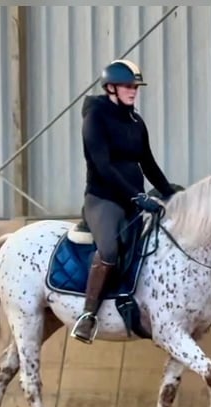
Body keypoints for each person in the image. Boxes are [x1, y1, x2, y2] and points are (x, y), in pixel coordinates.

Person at [71, 58, 179, 344]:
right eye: (127, 86)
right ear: (111, 88)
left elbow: (149, 164)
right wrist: (136, 195)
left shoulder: (135, 122)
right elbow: (103, 166)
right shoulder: (95, 118)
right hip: (103, 200)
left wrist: (170, 191)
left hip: (134, 201)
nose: (133, 91)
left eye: (135, 86)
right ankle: (88, 315)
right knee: (108, 249)